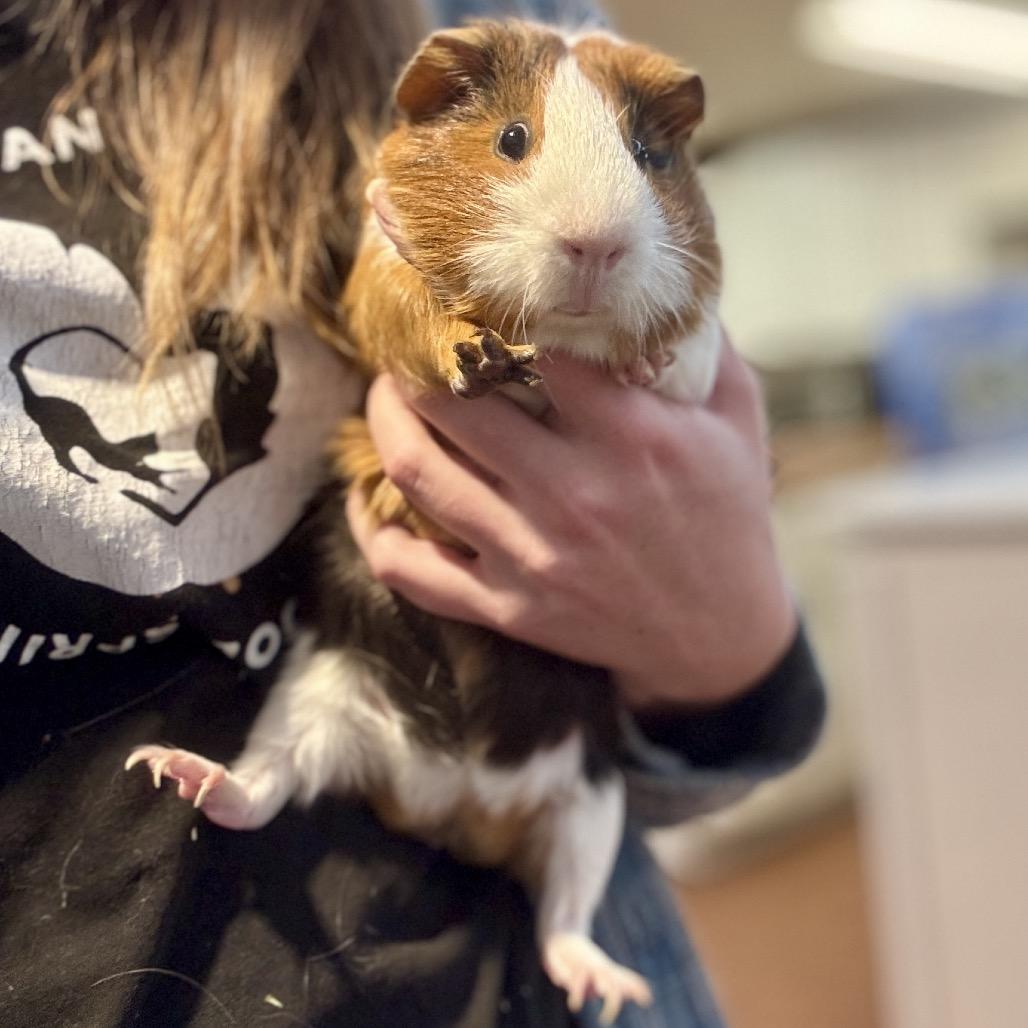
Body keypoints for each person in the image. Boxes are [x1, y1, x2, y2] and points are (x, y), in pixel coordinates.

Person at [0, 1, 824, 1025]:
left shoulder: (487, 11)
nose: (593, 229)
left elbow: (697, 775)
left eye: (644, 157)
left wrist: (729, 634)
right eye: (514, 142)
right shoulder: (403, 246)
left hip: (536, 910)